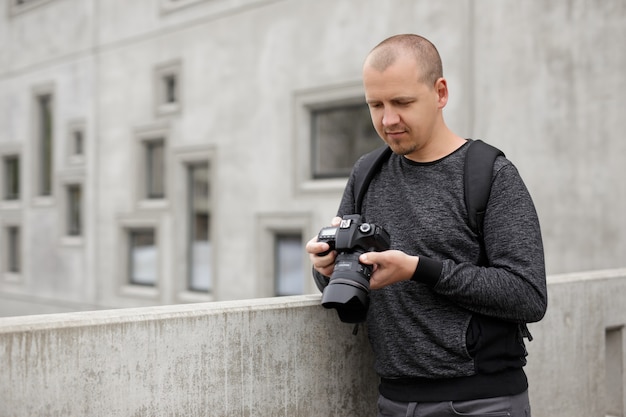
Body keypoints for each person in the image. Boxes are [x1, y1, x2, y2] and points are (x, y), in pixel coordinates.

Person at [306, 34, 547, 417]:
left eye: (402, 102)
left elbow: (528, 295)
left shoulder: (490, 174)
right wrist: (327, 269)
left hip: (482, 401)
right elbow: (349, 283)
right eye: (376, 105)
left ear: (440, 92)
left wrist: (420, 270)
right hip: (393, 399)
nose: (388, 119)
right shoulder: (367, 173)